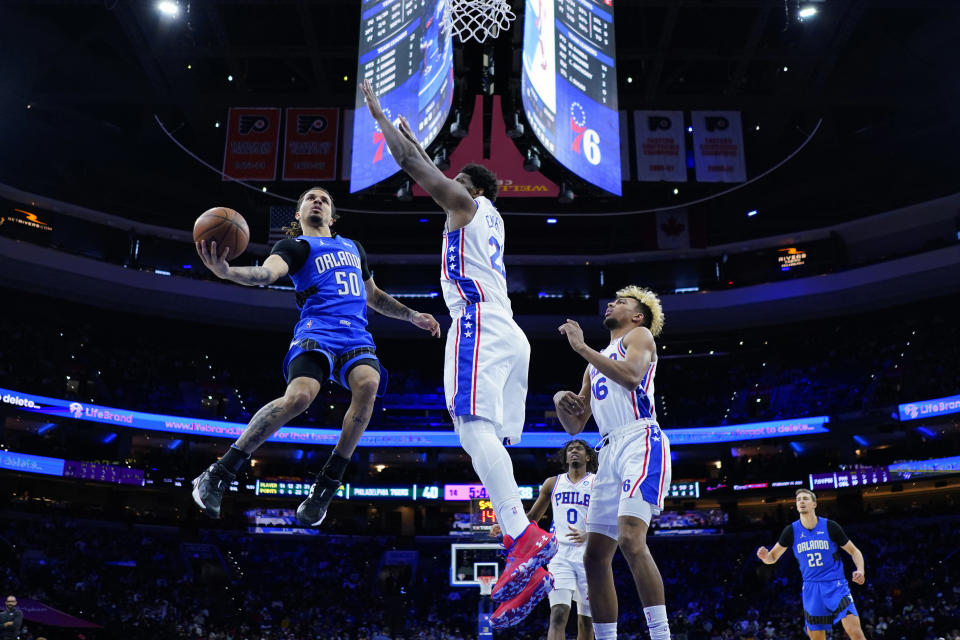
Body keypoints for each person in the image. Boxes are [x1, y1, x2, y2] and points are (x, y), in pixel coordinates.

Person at [360, 78, 557, 626]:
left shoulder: (465, 203)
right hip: (510, 334)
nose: (447, 181)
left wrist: (379, 118)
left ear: (467, 187)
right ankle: (523, 548)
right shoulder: (491, 217)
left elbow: (413, 168)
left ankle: (522, 537)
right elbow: (429, 165)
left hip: (477, 326)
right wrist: (420, 146)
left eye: (454, 178)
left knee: (470, 430)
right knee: (488, 439)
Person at [191, 186, 440, 525]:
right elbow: (267, 273)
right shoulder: (294, 246)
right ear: (298, 214)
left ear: (332, 216)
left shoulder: (354, 248)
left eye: (324, 199)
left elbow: (374, 296)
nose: (318, 201)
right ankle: (219, 473)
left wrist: (412, 315)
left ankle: (326, 486)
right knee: (300, 397)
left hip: (355, 335)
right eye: (310, 198)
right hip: (317, 330)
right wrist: (229, 272)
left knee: (369, 382)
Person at [554, 286, 672, 640]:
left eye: (621, 302)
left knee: (631, 539)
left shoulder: (639, 335)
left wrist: (580, 348)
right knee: (594, 556)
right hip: (607, 450)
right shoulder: (595, 364)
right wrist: (561, 399)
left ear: (637, 315)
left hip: (640, 439)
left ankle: (661, 635)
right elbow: (575, 424)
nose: (611, 303)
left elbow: (633, 376)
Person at [491, 439, 597, 639]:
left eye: (579, 448)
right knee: (558, 615)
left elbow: (608, 517)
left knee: (586, 621)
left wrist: (589, 534)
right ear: (565, 457)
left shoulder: (597, 482)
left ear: (588, 456)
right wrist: (505, 528)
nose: (574, 451)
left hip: (587, 554)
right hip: (559, 555)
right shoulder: (553, 482)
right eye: (570, 449)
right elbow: (531, 518)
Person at [756, 488, 868, 640]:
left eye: (805, 499)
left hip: (836, 585)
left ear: (814, 504)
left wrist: (860, 570)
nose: (801, 501)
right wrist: (765, 557)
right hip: (811, 588)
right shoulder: (791, 531)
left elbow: (855, 551)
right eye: (798, 499)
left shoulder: (830, 526)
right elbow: (773, 558)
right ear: (796, 506)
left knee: (854, 631)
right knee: (816, 638)